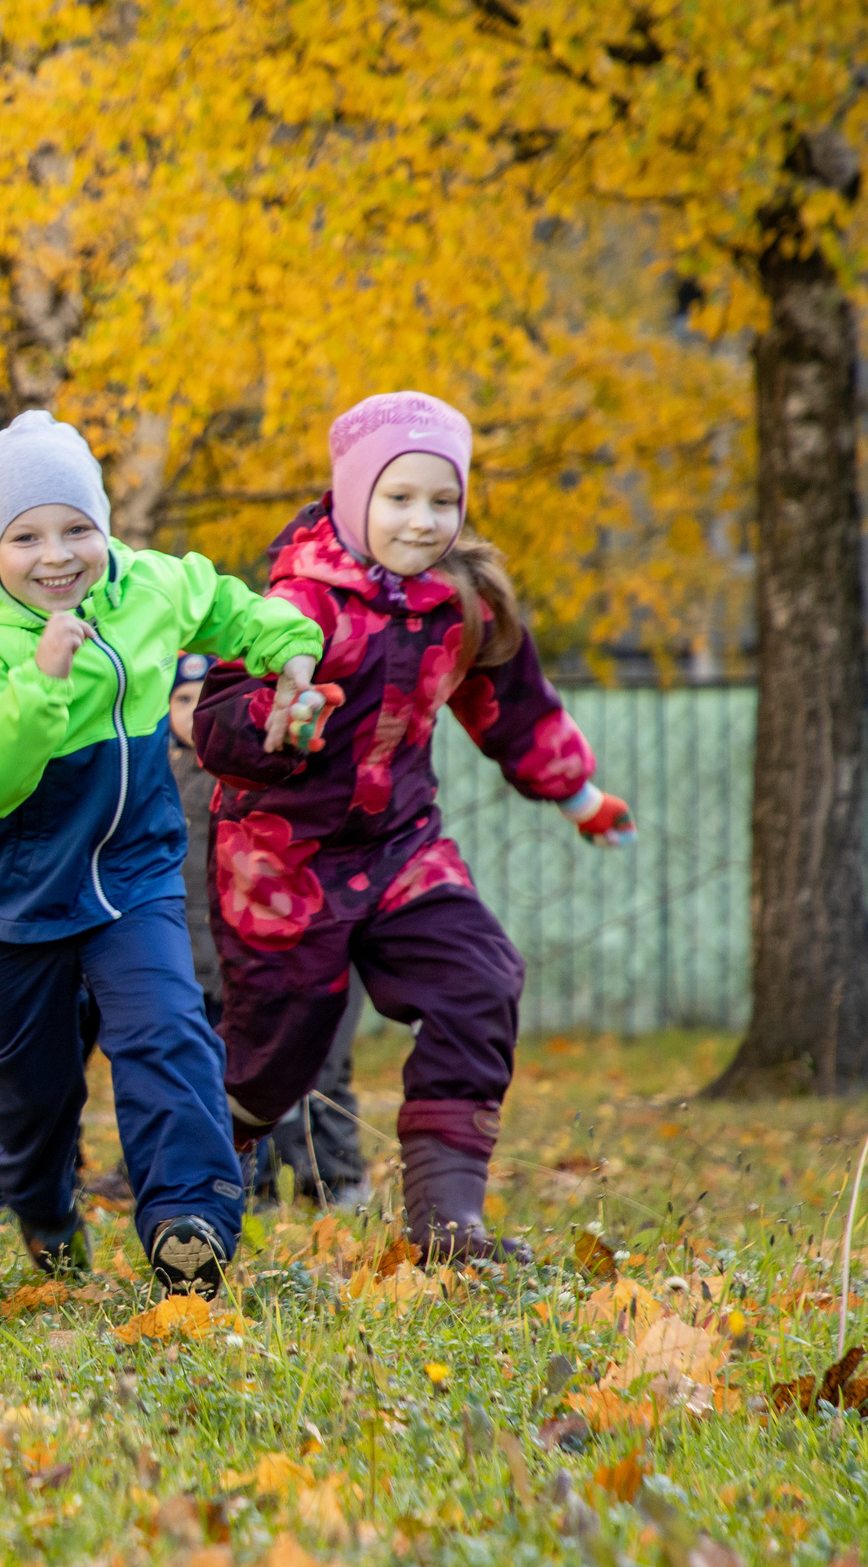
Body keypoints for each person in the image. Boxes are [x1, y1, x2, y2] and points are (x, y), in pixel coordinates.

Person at [194, 391, 632, 1262]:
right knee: (273, 1056)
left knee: (481, 978)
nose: (424, 521)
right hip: (285, 861)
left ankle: (445, 1222)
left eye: (444, 500)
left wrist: (578, 795)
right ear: (355, 496)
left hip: (401, 847)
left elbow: (511, 705)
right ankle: (195, 1185)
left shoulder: (461, 602)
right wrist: (270, 722)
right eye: (400, 499)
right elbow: (216, 724)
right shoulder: (298, 603)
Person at [0, 410, 324, 1299]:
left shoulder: (149, 585)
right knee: (33, 1092)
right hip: (21, 891)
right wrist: (42, 682)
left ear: (105, 528)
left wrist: (289, 647)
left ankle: (190, 1218)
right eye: (26, 536)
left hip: (134, 874)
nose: (56, 554)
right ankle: (43, 1214)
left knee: (166, 1032)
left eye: (78, 528)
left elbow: (224, 605)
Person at [166, 653, 368, 1208]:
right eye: (181, 701)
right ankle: (248, 1183)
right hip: (204, 956)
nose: (191, 714)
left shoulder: (274, 775)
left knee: (320, 1066)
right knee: (226, 1068)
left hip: (288, 945)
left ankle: (332, 1177)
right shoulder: (166, 778)